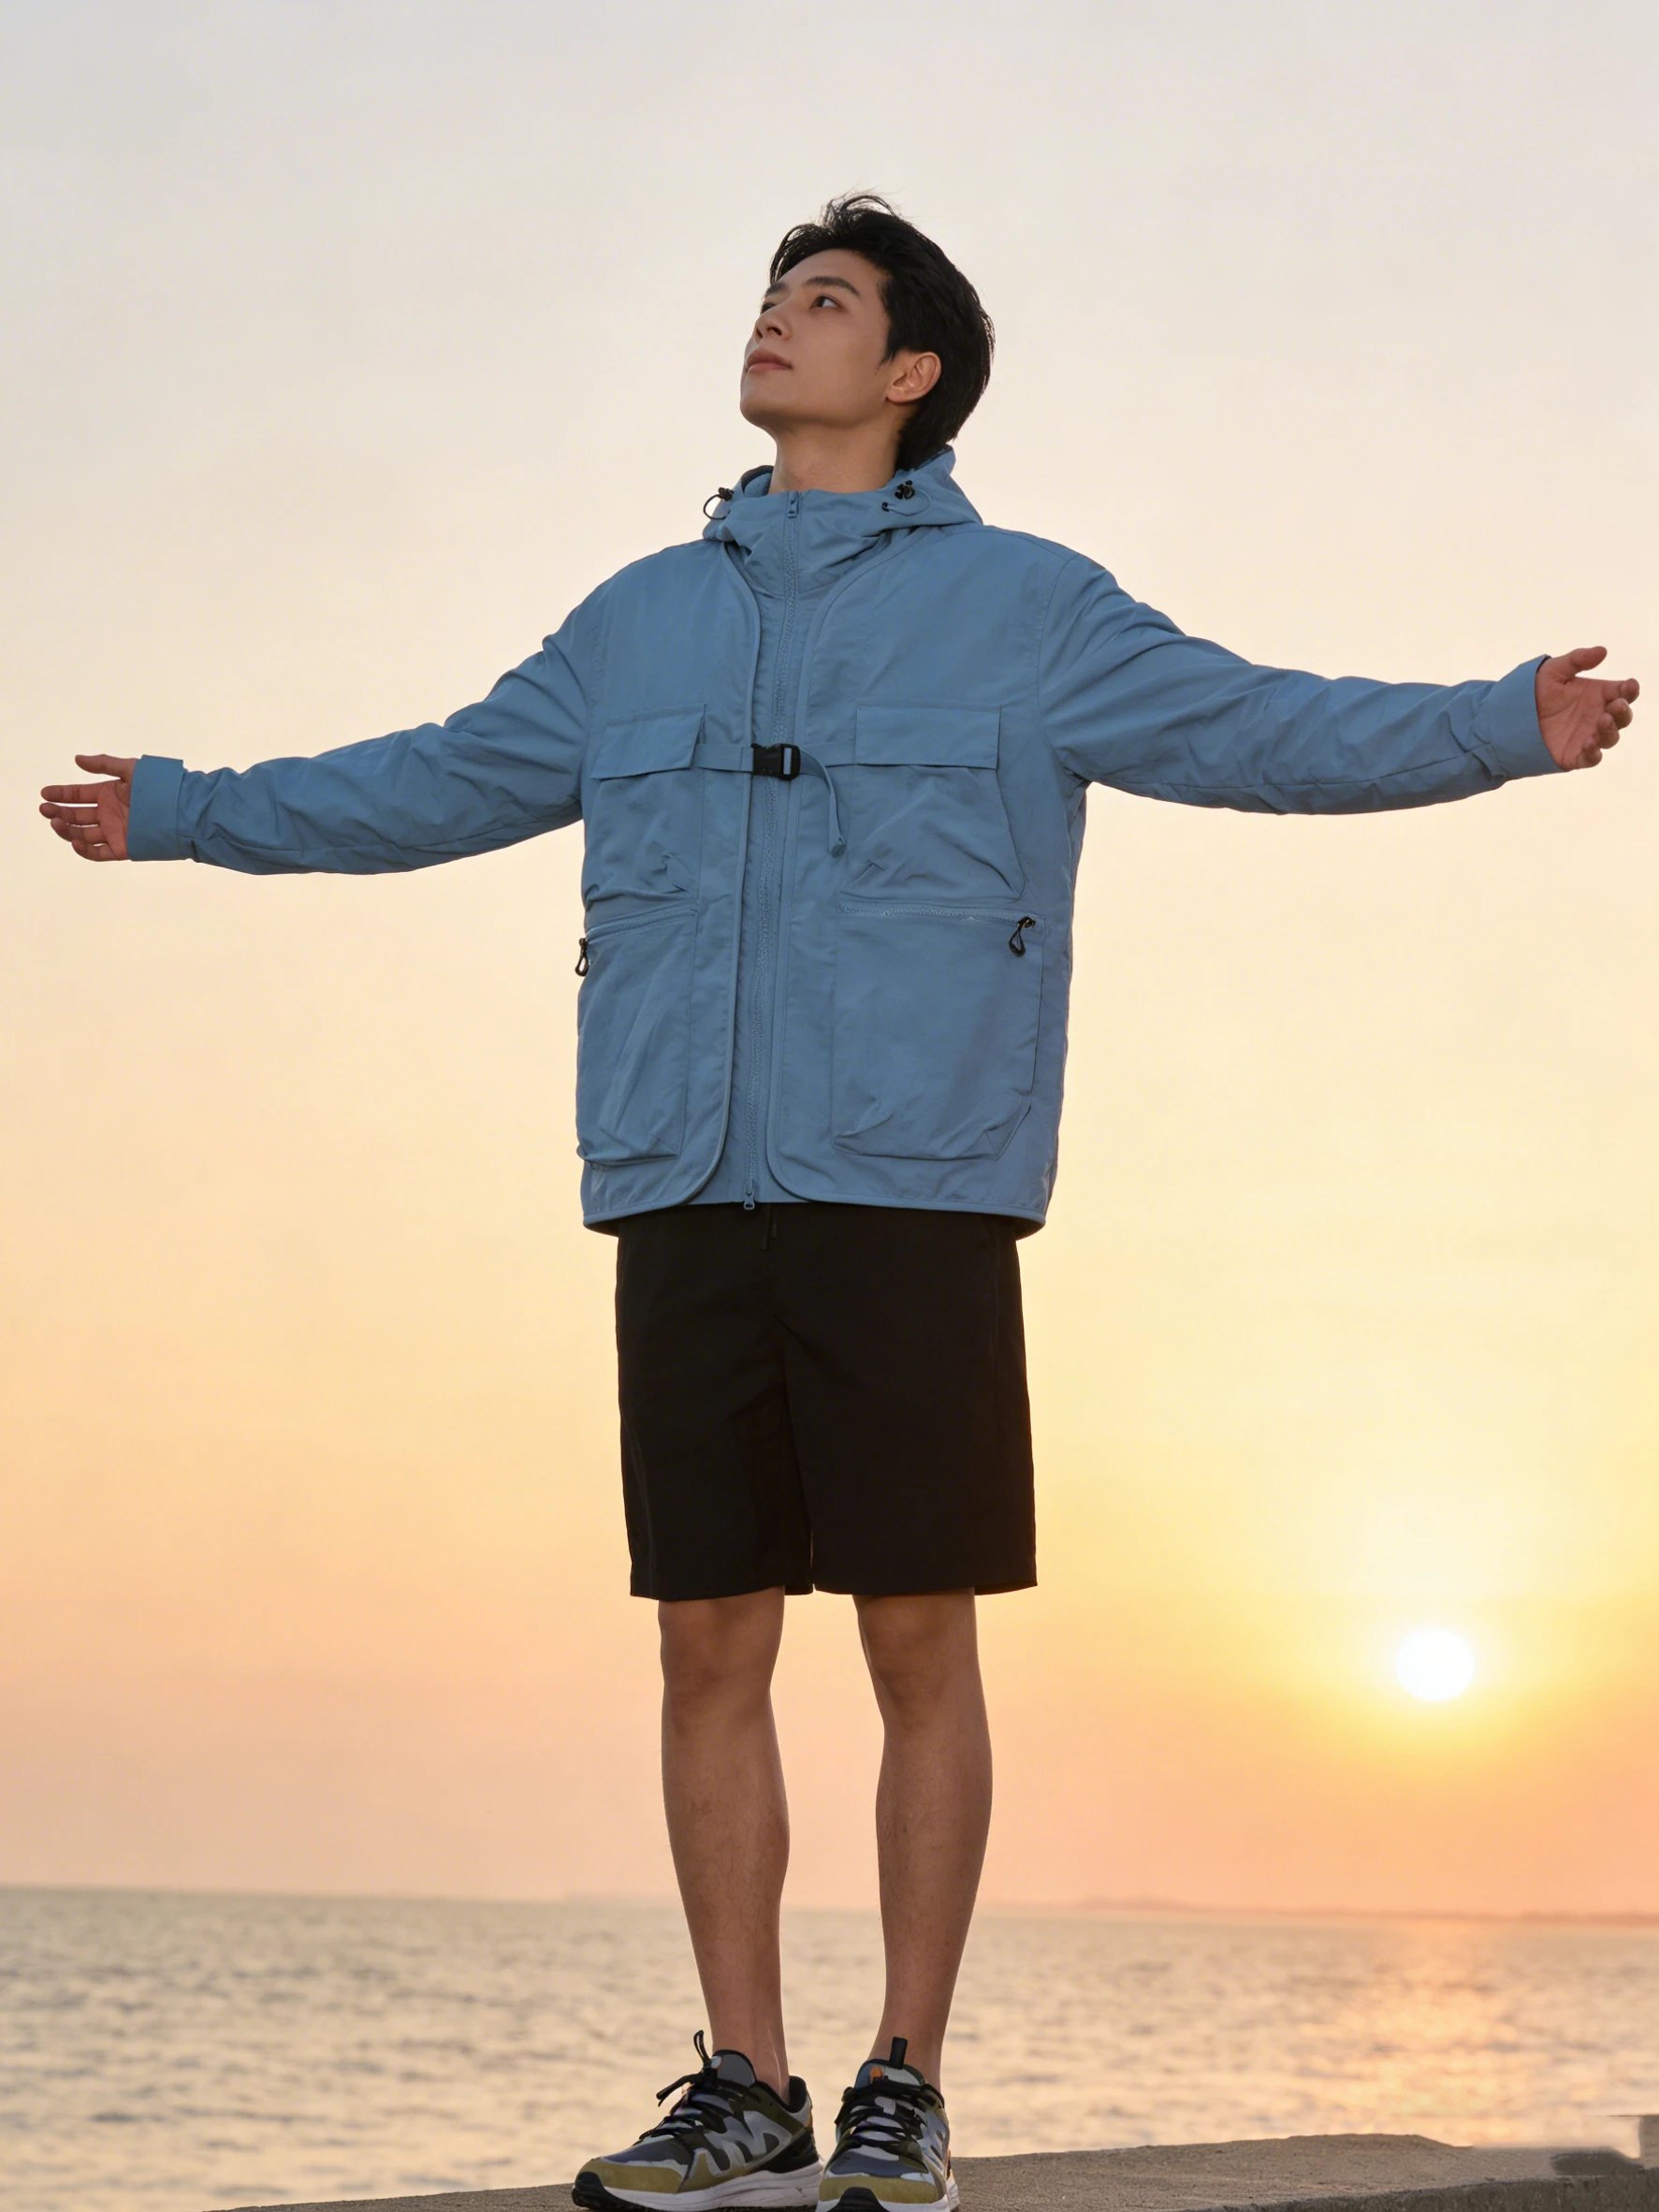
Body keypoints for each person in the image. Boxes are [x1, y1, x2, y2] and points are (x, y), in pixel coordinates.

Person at [39, 191, 1637, 2212]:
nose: (773, 322)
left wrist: (1493, 727)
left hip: (912, 1179)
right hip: (682, 1174)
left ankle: (904, 2080)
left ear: (911, 372)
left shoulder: (1031, 611)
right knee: (705, 1640)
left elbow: (1252, 723)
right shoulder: (639, 617)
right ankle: (743, 2085)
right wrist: (192, 812)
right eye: (770, 294)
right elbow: (438, 776)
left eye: (822, 299)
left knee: (913, 1636)